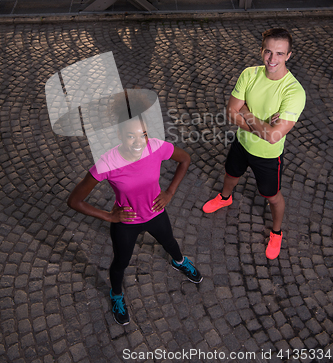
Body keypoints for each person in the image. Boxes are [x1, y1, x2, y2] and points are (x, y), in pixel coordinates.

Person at [68, 90, 202, 326]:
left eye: (143, 135)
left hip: (156, 213)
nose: (139, 142)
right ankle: (116, 295)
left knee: (170, 243)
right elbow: (75, 201)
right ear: (119, 134)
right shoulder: (107, 162)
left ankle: (179, 262)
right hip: (126, 223)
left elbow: (185, 159)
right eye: (131, 137)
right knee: (121, 262)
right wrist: (109, 216)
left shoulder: (156, 147)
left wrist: (169, 193)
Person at [203, 28, 306, 260]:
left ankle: (276, 231)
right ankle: (225, 198)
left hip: (268, 156)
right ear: (262, 51)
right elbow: (230, 113)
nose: (272, 59)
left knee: (272, 196)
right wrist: (263, 124)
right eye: (268, 52)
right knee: (231, 173)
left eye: (279, 54)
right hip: (241, 143)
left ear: (289, 55)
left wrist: (247, 112)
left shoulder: (294, 92)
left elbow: (273, 138)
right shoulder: (249, 74)